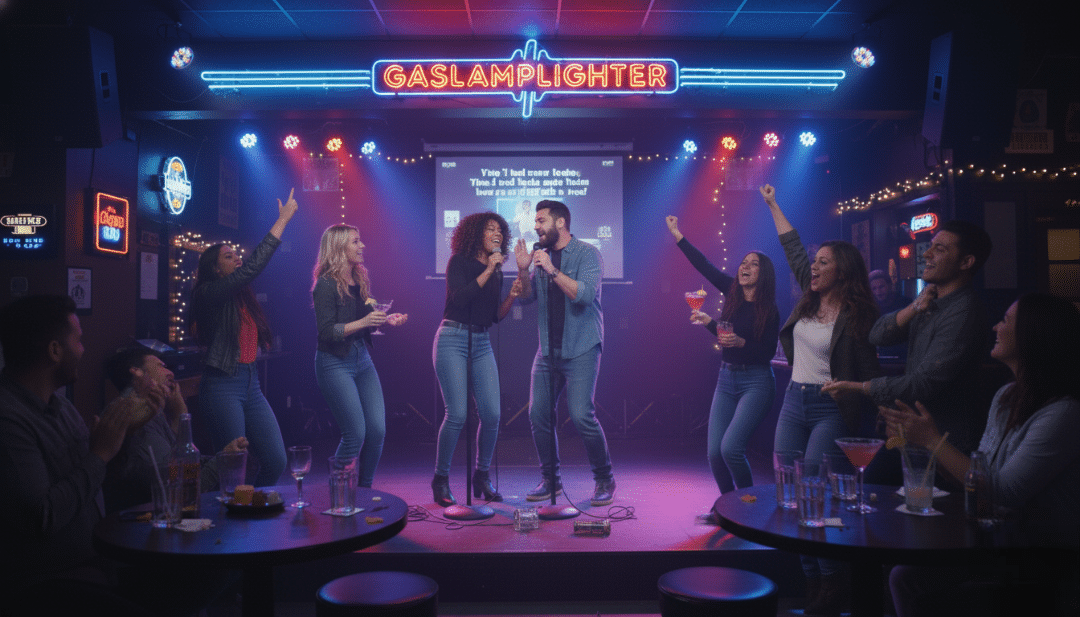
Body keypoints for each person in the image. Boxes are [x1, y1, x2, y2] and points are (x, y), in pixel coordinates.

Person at [0, 295, 229, 616]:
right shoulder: (9, 419)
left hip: (100, 562)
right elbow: (43, 518)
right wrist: (101, 451)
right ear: (54, 351)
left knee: (217, 564)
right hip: (49, 584)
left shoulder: (61, 407)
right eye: (78, 341)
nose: (83, 350)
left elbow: (97, 479)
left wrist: (126, 433)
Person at [882, 293, 1080, 617]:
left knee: (910, 577)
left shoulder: (1064, 413)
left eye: (1005, 320)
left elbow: (1004, 491)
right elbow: (981, 479)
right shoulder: (1006, 397)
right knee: (904, 574)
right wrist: (922, 444)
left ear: (1034, 335)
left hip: (1045, 554)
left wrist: (933, 440)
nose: (995, 326)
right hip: (1001, 542)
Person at [761, 184, 881, 616]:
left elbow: (870, 374)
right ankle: (815, 584)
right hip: (795, 400)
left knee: (813, 484)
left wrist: (883, 411)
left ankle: (832, 582)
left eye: (823, 263)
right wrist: (773, 203)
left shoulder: (859, 315)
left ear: (842, 272)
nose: (813, 267)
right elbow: (793, 247)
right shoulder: (808, 300)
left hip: (833, 406)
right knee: (788, 490)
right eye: (814, 262)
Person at [823, 220, 992, 485]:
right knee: (875, 494)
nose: (927, 254)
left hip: (948, 440)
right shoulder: (929, 301)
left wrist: (857, 387)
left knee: (925, 515)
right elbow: (877, 335)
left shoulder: (965, 312)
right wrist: (915, 306)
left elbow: (923, 383)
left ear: (966, 262)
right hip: (911, 435)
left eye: (940, 249)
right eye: (930, 247)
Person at [666, 215, 780, 518]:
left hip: (756, 382)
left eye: (753, 264)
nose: (745, 267)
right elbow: (704, 265)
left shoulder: (770, 309)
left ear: (764, 273)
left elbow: (767, 351)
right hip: (727, 378)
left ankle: (748, 507)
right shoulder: (731, 291)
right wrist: (679, 235)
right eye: (744, 262)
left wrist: (742, 343)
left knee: (731, 449)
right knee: (715, 454)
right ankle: (730, 509)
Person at [191, 188, 298, 488]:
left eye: (235, 253)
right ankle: (227, 527)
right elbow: (253, 267)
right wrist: (283, 220)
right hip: (223, 384)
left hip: (251, 384)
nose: (236, 258)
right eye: (228, 256)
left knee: (276, 461)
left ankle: (253, 511)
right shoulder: (209, 293)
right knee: (232, 468)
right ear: (215, 268)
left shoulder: (240, 296)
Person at [515, 199, 616, 507]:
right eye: (535, 221)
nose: (536, 226)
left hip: (582, 346)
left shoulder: (588, 253)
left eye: (541, 220)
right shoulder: (541, 256)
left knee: (581, 415)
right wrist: (522, 271)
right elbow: (526, 299)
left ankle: (604, 478)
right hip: (548, 350)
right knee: (537, 414)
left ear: (559, 222)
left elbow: (583, 296)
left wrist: (551, 268)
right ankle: (551, 481)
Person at [431, 212, 525, 506]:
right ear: (475, 233)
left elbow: (494, 316)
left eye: (500, 229)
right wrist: (488, 270)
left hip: (481, 341)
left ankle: (481, 476)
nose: (497, 233)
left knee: (493, 414)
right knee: (457, 414)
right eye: (490, 229)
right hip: (452, 339)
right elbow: (460, 298)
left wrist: (510, 295)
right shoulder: (458, 261)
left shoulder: (497, 270)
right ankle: (441, 479)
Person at [312, 224, 407, 489]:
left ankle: (363, 491)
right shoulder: (326, 285)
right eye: (356, 241)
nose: (362, 246)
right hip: (333, 362)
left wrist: (385, 320)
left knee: (377, 431)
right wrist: (366, 320)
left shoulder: (359, 279)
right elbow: (328, 332)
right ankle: (337, 492)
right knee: (355, 433)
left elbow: (365, 321)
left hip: (361, 359)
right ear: (339, 247)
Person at [101, 345, 248, 512]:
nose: (171, 373)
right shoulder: (136, 421)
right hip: (145, 524)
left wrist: (180, 411)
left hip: (164, 515)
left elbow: (178, 459)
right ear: (136, 372)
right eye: (161, 366)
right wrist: (222, 462)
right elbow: (184, 487)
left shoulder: (151, 411)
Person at [868, 269, 909, 363]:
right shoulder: (871, 308)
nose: (878, 292)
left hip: (903, 357)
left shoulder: (905, 304)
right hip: (881, 359)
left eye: (881, 287)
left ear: (890, 285)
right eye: (874, 288)